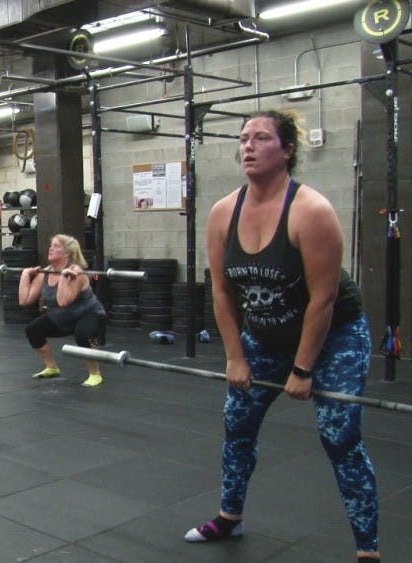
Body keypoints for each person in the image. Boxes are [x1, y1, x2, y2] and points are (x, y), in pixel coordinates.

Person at [188, 109, 379, 562]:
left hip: (334, 337)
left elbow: (323, 301)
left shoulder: (310, 211)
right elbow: (221, 291)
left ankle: (368, 550)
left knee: (340, 438)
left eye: (261, 138)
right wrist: (235, 357)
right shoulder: (222, 213)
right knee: (237, 424)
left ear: (288, 150)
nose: (248, 146)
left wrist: (303, 368)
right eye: (243, 138)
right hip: (264, 336)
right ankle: (229, 517)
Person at [19, 233, 106, 386]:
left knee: (82, 333)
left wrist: (64, 278)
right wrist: (25, 275)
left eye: (56, 246)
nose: (50, 249)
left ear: (68, 253)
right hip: (61, 318)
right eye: (51, 245)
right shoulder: (45, 273)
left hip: (89, 315)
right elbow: (24, 300)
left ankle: (95, 373)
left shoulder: (76, 272)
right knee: (33, 329)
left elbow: (63, 301)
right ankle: (51, 367)